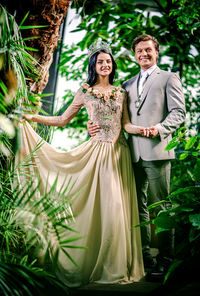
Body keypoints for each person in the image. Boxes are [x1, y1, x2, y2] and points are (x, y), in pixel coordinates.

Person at [19, 39, 145, 287]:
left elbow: (126, 124)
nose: (105, 65)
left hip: (119, 156)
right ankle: (95, 261)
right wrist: (31, 117)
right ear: (94, 65)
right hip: (96, 154)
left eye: (108, 61)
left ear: (113, 64)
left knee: (116, 209)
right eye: (100, 62)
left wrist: (147, 130)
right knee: (102, 207)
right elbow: (62, 119)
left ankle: (116, 264)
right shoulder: (84, 91)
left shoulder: (122, 93)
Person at [87, 35, 186, 279]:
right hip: (130, 154)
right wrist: (92, 126)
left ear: (156, 52)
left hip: (157, 151)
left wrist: (161, 129)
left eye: (148, 50)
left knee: (162, 207)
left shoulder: (169, 78)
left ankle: (165, 261)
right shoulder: (127, 84)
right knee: (137, 206)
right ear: (134, 55)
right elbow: (115, 117)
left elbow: (179, 112)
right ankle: (144, 257)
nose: (144, 54)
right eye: (139, 50)